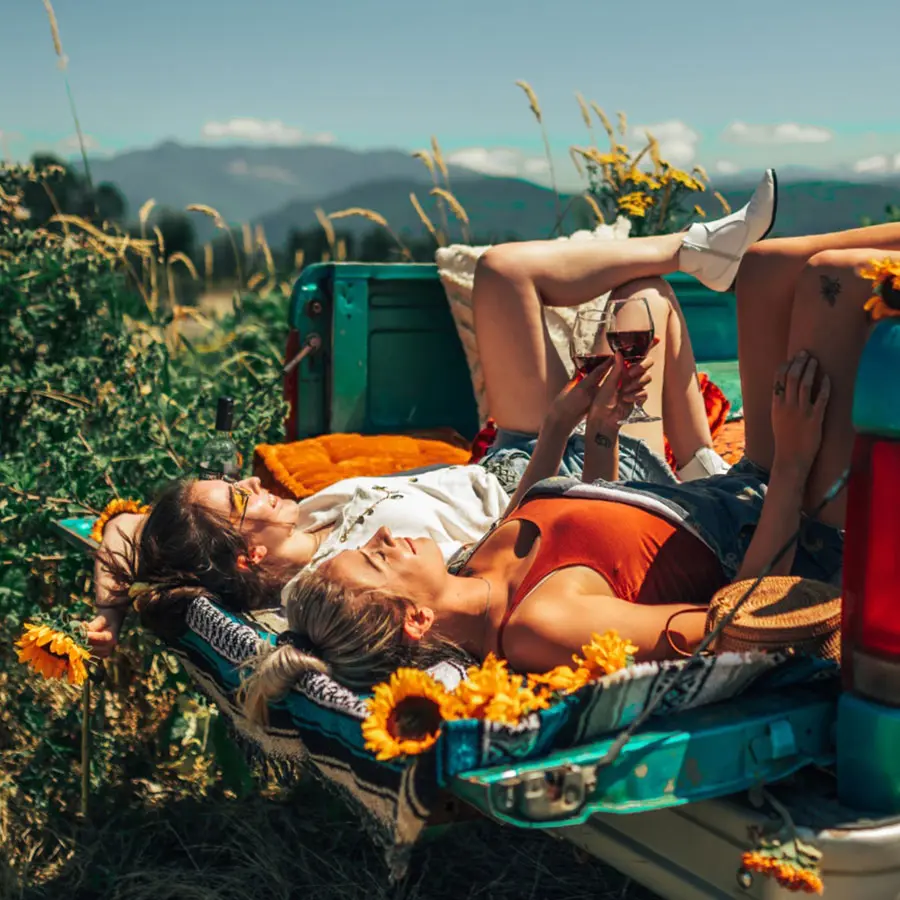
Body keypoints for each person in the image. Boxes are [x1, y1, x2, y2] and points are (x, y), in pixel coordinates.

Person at [237, 207, 900, 714]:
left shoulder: (476, 568)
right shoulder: (540, 628)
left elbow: (614, 556)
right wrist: (791, 459)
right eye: (379, 557)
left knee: (763, 267)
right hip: (806, 521)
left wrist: (601, 433)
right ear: (414, 620)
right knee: (833, 283)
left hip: (749, 485)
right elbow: (743, 627)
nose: (382, 536)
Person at [86, 170, 778, 655]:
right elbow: (510, 553)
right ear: (249, 552)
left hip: (511, 452)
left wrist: (109, 596)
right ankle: (697, 469)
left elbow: (130, 531)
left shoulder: (310, 512)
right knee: (644, 300)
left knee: (505, 272)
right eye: (241, 497)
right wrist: (577, 429)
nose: (257, 483)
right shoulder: (338, 589)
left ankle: (702, 251)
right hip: (556, 486)